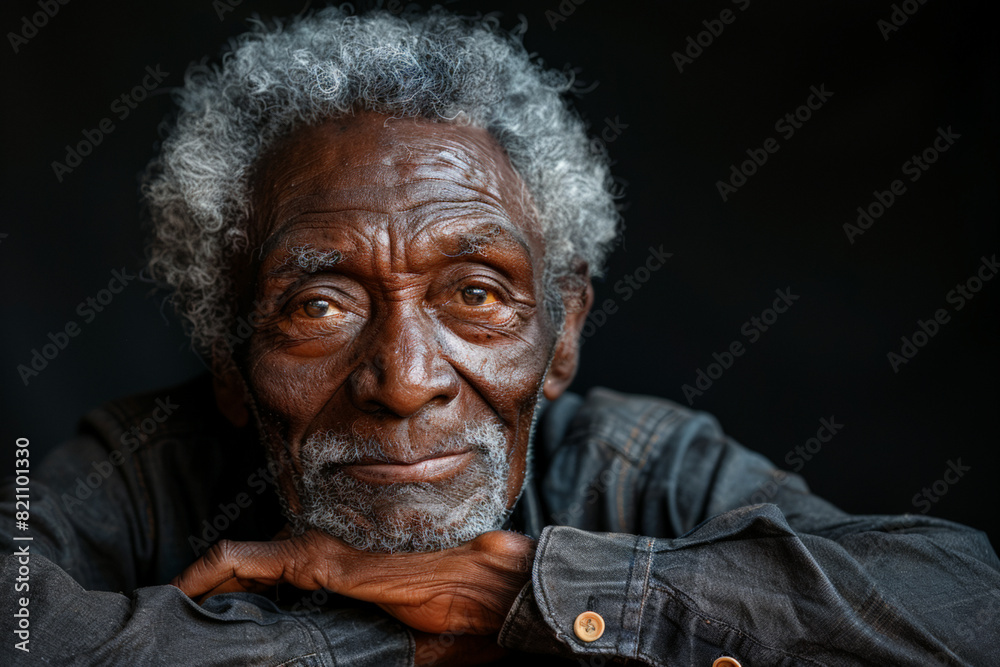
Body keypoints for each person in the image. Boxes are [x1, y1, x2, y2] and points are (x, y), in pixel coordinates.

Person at [3, 7, 998, 666]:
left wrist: (525, 591)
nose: (403, 380)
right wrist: (408, 628)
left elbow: (969, 600)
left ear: (561, 337)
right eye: (319, 306)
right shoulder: (140, 467)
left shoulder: (634, 462)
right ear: (229, 359)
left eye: (475, 294)